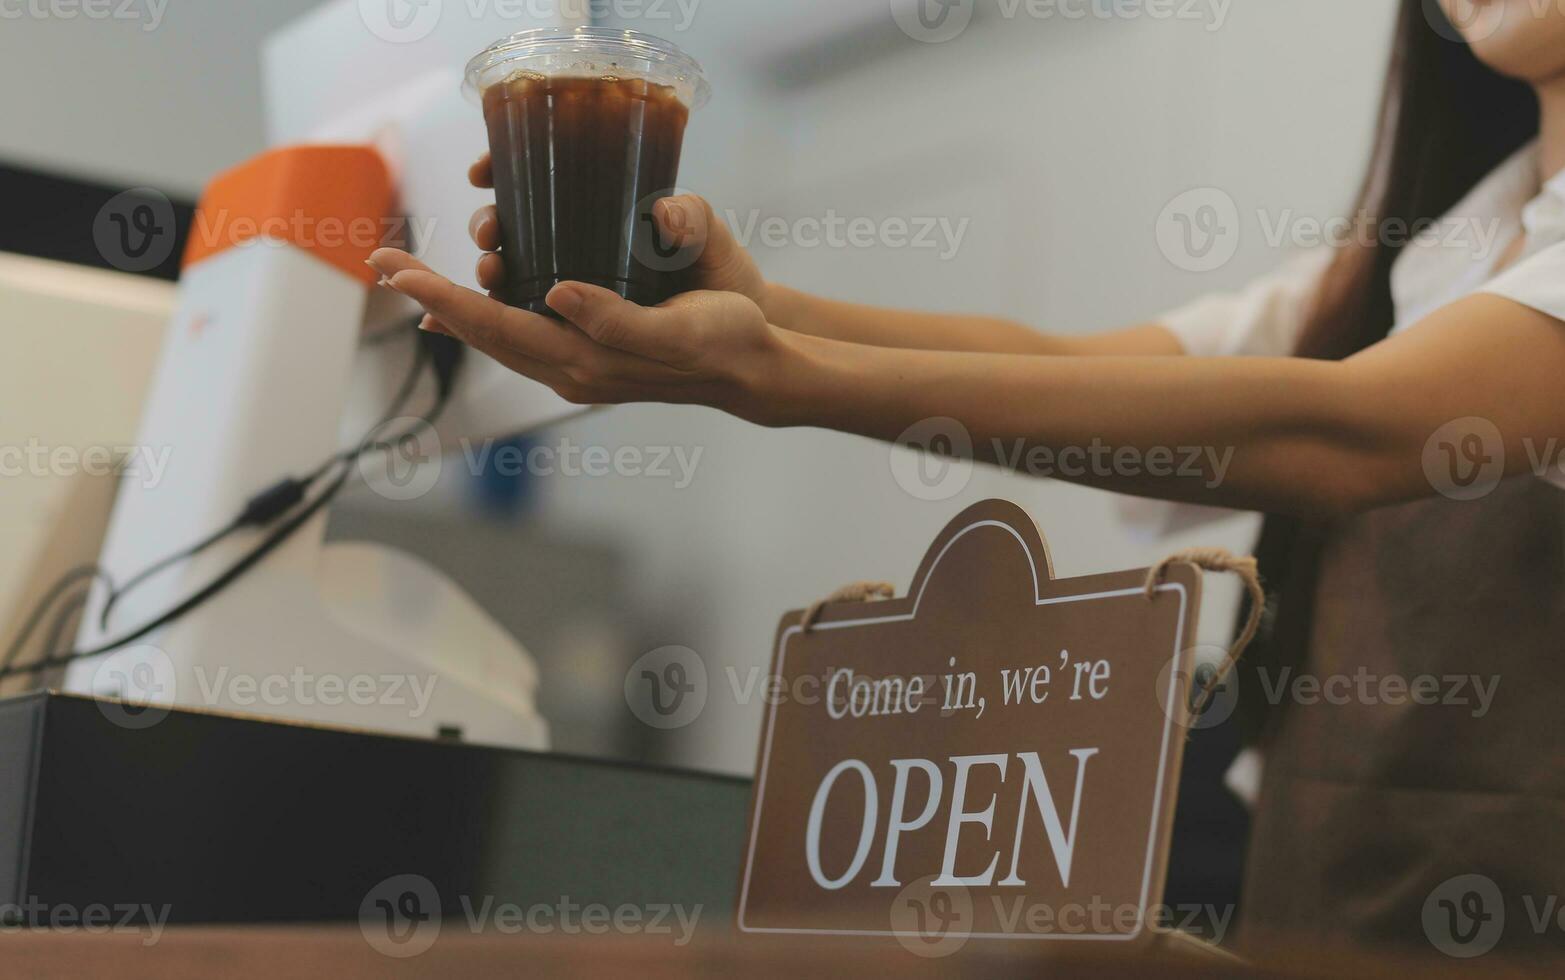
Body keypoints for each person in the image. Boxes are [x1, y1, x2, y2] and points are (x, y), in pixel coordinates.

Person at [369, 0, 1565, 958]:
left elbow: (1357, 433)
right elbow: (1065, 368)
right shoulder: (1442, 247)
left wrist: (776, 375)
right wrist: (758, 315)